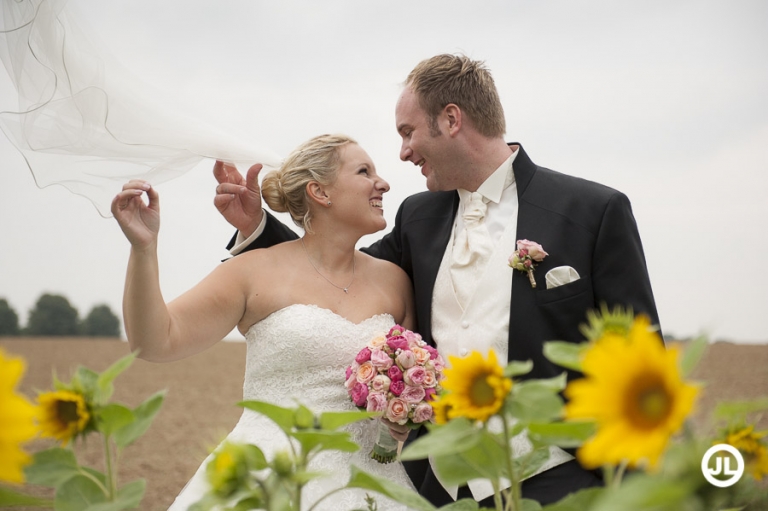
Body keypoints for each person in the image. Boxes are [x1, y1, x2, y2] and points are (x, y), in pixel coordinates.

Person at [215, 54, 661, 507]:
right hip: (438, 491)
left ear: (451, 119)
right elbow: (333, 279)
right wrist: (257, 228)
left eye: (407, 133)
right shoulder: (417, 218)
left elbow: (642, 359)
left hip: (560, 480)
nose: (404, 152)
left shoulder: (592, 211)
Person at [112, 134, 419, 510]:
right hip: (266, 479)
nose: (383, 182)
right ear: (320, 192)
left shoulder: (395, 281)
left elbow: (412, 384)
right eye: (364, 171)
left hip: (375, 485)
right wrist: (143, 249)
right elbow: (155, 341)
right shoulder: (252, 271)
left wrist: (405, 419)